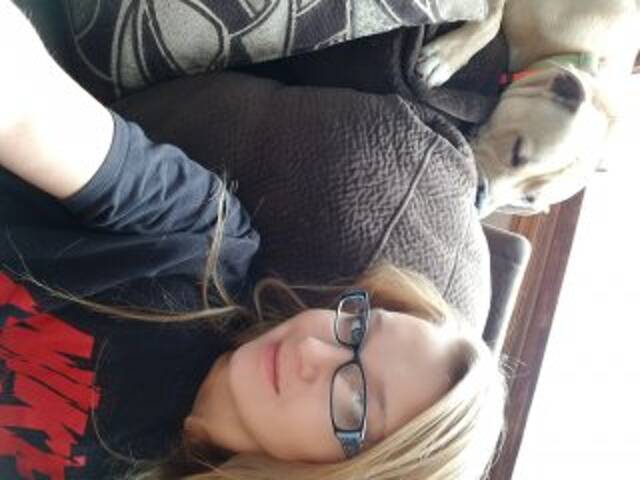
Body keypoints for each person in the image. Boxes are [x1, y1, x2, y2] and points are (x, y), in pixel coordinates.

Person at [0, 2, 506, 479]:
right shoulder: (199, 241)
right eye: (360, 328)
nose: (313, 349)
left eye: (356, 400)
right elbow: (25, 103)